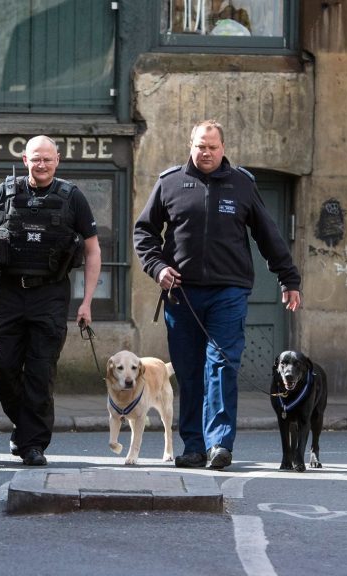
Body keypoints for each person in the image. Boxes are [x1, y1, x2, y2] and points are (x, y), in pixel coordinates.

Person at [134, 120, 301, 470]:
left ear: (223, 148)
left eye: (212, 147)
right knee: (189, 370)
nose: (206, 152)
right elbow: (144, 233)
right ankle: (194, 447)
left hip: (229, 291)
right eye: (200, 146)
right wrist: (158, 268)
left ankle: (219, 445)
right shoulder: (169, 183)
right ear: (190, 146)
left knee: (221, 366)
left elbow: (268, 235)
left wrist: (288, 278)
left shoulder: (242, 184)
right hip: (181, 294)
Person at [0, 135, 102, 466]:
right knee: (1, 368)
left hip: (50, 295)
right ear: (25, 160)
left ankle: (33, 445)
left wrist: (87, 302)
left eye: (48, 159)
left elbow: (92, 249)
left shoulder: (72, 197)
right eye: (35, 159)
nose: (42, 164)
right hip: (10, 293)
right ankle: (26, 427)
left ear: (57, 160)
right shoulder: (5, 193)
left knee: (41, 374)